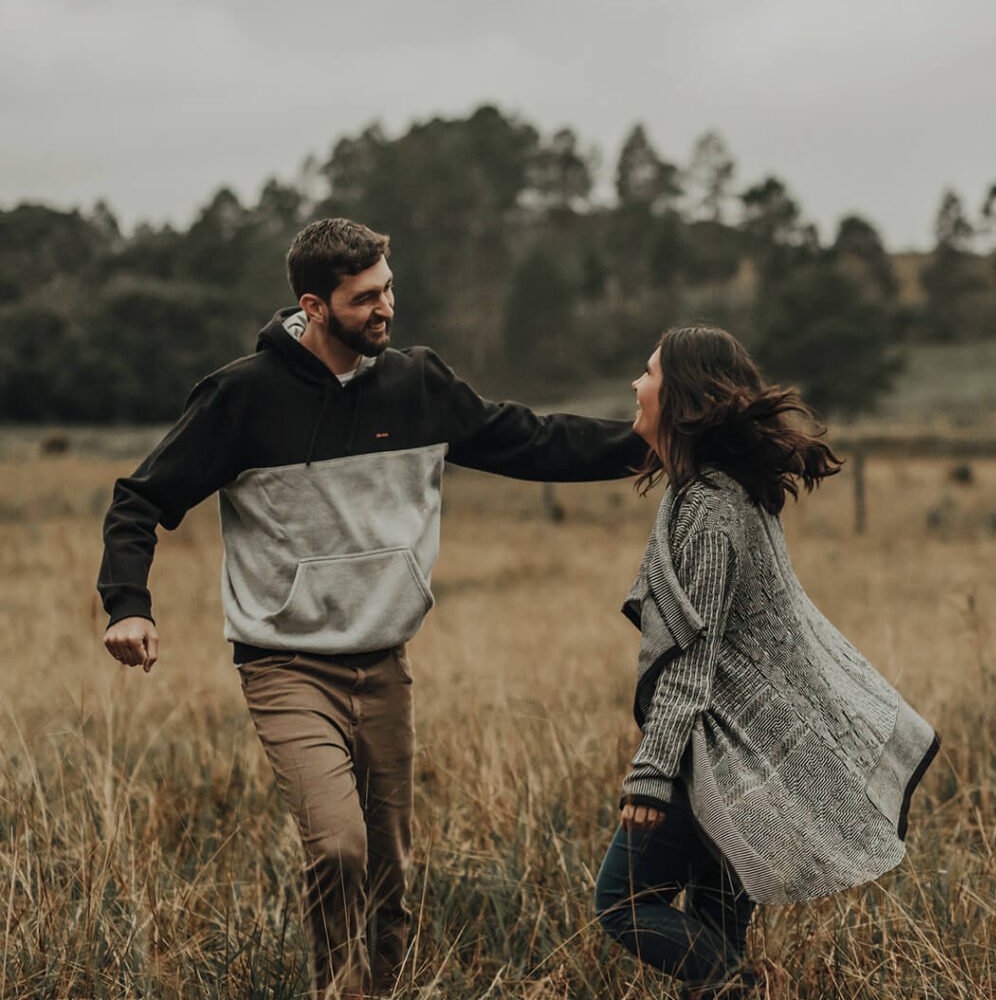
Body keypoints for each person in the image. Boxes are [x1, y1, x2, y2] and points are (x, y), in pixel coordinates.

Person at [98, 217, 646, 1000]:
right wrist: (128, 604)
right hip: (286, 666)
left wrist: (649, 444)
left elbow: (532, 442)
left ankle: (381, 988)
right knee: (339, 848)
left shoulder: (419, 384)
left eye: (388, 288)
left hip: (384, 666)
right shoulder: (241, 398)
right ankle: (339, 988)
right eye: (365, 298)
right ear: (314, 307)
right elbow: (138, 499)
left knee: (388, 871)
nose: (386, 307)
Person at [594, 327, 939, 999]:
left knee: (622, 904)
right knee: (716, 919)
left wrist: (650, 775)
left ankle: (744, 987)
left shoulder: (713, 512)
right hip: (736, 758)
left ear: (682, 397)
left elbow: (691, 663)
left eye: (648, 373)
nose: (636, 385)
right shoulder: (712, 493)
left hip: (720, 752)